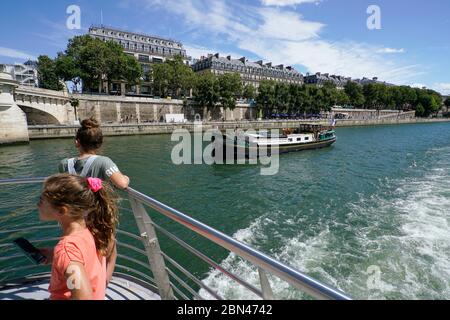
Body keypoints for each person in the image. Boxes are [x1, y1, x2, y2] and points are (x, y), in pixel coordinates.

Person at [58, 117, 128, 284]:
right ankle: (99, 288)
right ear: (99, 143)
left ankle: (80, 287)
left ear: (77, 142)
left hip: (73, 221)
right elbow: (122, 183)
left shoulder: (63, 164)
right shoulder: (104, 162)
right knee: (109, 254)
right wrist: (126, 177)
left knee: (79, 255)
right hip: (98, 219)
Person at [38, 174, 118, 300]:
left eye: (41, 201)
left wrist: (64, 257)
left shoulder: (66, 250)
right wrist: (54, 256)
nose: (37, 205)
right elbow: (106, 256)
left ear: (62, 211)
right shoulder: (94, 230)